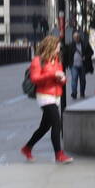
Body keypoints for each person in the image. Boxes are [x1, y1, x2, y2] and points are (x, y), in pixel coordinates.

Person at [22, 36, 74, 164]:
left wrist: (62, 79)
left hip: (56, 96)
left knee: (44, 127)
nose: (59, 48)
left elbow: (61, 79)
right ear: (50, 45)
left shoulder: (57, 60)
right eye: (57, 45)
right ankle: (59, 154)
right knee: (56, 123)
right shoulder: (37, 61)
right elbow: (35, 79)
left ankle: (27, 148)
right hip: (44, 96)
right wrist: (52, 74)